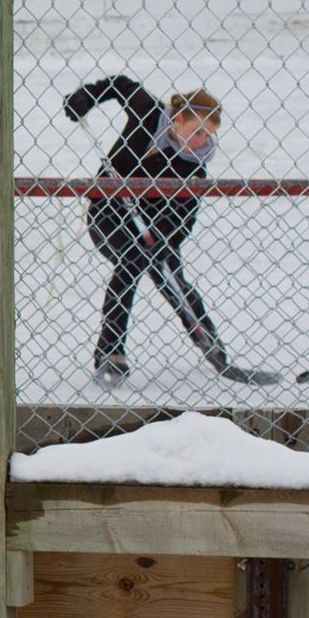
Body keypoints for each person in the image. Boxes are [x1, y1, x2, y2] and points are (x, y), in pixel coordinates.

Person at [63, 77, 273, 386]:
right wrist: (86, 97)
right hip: (107, 212)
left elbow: (184, 219)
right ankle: (111, 353)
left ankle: (211, 345)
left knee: (172, 275)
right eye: (197, 131)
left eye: (209, 134)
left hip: (155, 228)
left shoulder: (193, 166)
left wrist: (163, 240)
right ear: (178, 119)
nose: (203, 140)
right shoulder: (149, 113)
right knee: (130, 261)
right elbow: (121, 85)